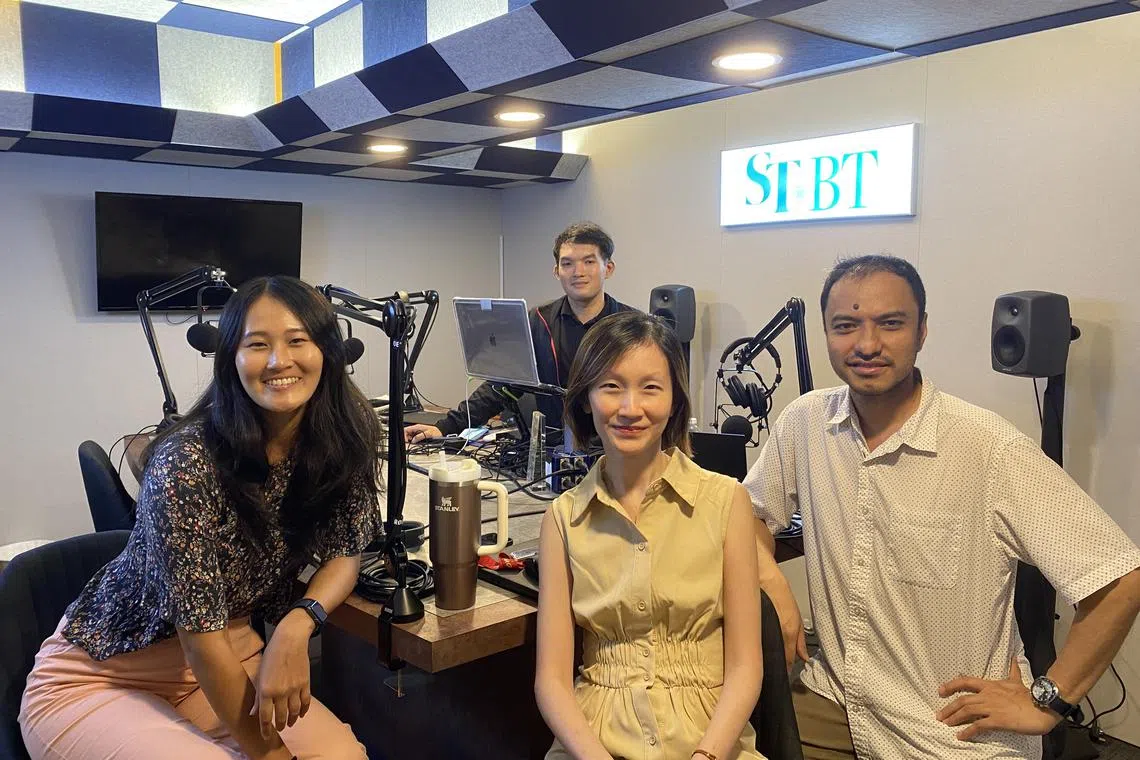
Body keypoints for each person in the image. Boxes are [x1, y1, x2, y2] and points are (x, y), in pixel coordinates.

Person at [744, 255, 1140, 758]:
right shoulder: (806, 423)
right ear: (826, 333)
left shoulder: (986, 446)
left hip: (948, 731)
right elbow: (749, 511)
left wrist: (1048, 700)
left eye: (890, 323)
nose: (866, 345)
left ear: (922, 330)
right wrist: (775, 584)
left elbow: (1120, 578)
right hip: (835, 703)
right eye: (846, 326)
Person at [20, 276, 380, 760]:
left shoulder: (341, 437)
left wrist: (299, 622)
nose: (279, 361)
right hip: (104, 678)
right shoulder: (187, 464)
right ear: (230, 359)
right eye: (257, 345)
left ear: (328, 352)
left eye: (298, 340)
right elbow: (200, 644)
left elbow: (345, 552)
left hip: (231, 653)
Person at [535, 311, 765, 760]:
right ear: (585, 398)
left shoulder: (725, 502)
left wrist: (707, 755)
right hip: (596, 734)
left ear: (675, 399)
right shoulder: (562, 519)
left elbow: (745, 667)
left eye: (650, 388)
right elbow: (552, 681)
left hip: (707, 735)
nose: (629, 408)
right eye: (611, 386)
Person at [404, 221, 635, 444]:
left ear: (608, 268)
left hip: (618, 452)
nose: (578, 272)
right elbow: (501, 386)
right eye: (567, 264)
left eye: (589, 262)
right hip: (554, 455)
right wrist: (444, 427)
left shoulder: (632, 326)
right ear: (556, 271)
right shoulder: (539, 321)